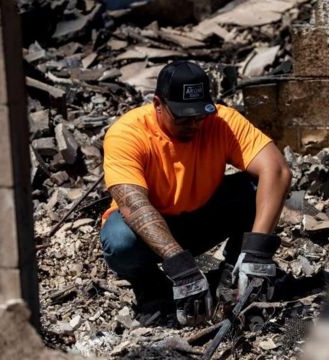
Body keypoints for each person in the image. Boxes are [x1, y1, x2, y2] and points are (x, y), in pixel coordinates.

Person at [99, 60, 292, 326]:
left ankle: (234, 272)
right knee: (119, 240)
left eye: (199, 115)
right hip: (151, 231)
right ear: (158, 104)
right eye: (183, 116)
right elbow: (134, 206)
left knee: (257, 187)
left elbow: (278, 170)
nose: (194, 124)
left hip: (203, 217)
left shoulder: (221, 122)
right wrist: (181, 268)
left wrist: (257, 251)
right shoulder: (128, 133)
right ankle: (153, 291)